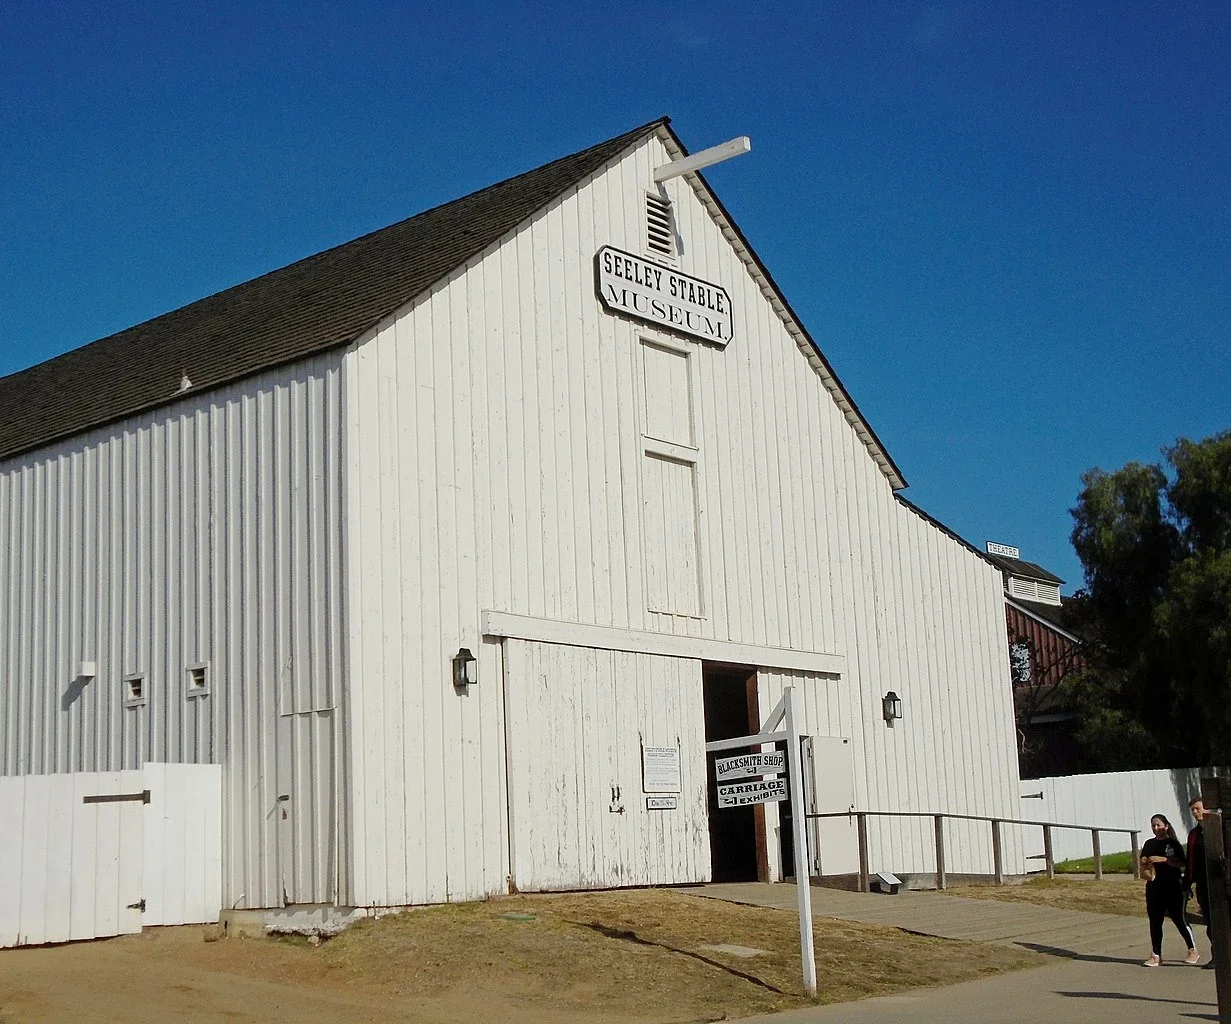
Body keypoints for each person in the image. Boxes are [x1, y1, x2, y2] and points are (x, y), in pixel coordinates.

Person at [1140, 812, 1199, 966]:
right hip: (1154, 886)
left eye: (1158, 825)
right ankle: (1156, 955)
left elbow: (1182, 863)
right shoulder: (1149, 844)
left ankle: (1192, 949)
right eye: (1153, 825)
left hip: (1172, 885)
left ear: (1166, 826)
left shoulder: (1172, 844)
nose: (1155, 828)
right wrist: (1145, 861)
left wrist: (1165, 860)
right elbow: (1143, 862)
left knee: (1178, 918)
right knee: (1155, 920)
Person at [1186, 796, 1217, 969]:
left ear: (1208, 808)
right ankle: (1217, 955)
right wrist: (1187, 883)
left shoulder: (1218, 829)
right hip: (1204, 884)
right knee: (1210, 922)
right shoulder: (1194, 834)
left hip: (1220, 882)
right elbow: (1190, 860)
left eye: (1198, 808)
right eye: (1193, 810)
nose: (1195, 812)